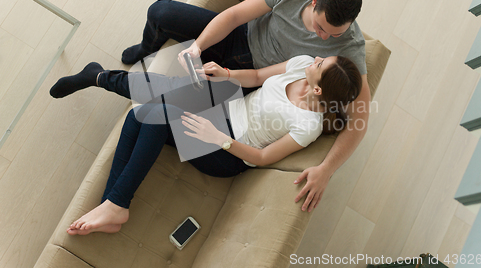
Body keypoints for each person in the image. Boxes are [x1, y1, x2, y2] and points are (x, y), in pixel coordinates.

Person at [121, 0, 371, 212]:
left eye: (334, 34)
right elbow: (233, 16)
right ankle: (147, 49)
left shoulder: (350, 50)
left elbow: (360, 121)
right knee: (160, 12)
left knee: (160, 109)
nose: (324, 38)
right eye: (320, 28)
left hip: (251, 86)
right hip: (239, 41)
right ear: (315, 2)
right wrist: (197, 47)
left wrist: (327, 169)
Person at [51, 54, 362, 235]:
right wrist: (226, 74)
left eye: (321, 64)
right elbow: (255, 76)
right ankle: (113, 205)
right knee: (138, 115)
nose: (317, 58)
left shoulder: (308, 124)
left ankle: (117, 205)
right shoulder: (301, 63)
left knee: (157, 114)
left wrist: (221, 140)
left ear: (320, 90)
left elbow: (264, 157)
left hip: (230, 153)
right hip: (224, 110)